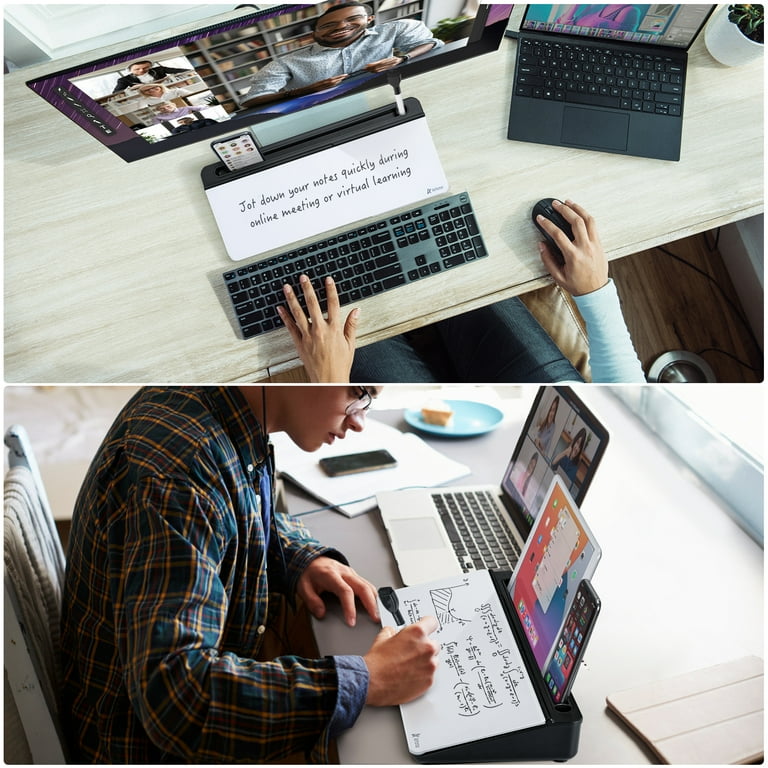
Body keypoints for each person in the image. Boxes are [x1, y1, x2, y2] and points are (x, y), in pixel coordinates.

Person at [60, 385, 440, 763]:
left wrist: (300, 557)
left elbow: (234, 513)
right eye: (358, 392)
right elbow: (178, 699)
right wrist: (367, 680)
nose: (359, 419)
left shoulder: (217, 409)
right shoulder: (180, 475)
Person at [277, 199, 647, 383]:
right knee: (452, 253)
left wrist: (327, 381)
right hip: (556, 405)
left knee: (336, 307)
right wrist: (595, 292)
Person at [240, 2, 443, 108]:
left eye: (353, 18)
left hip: (389, 100)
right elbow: (252, 100)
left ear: (369, 19)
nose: (342, 26)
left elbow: (431, 44)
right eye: (328, 25)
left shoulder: (395, 29)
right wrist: (305, 90)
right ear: (314, 34)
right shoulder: (287, 62)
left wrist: (402, 58)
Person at [113, 59, 190, 93]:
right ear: (130, 70)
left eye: (145, 68)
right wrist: (132, 88)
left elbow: (185, 70)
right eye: (137, 69)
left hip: (170, 90)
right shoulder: (123, 80)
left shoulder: (160, 69)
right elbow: (116, 93)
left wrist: (172, 76)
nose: (141, 70)